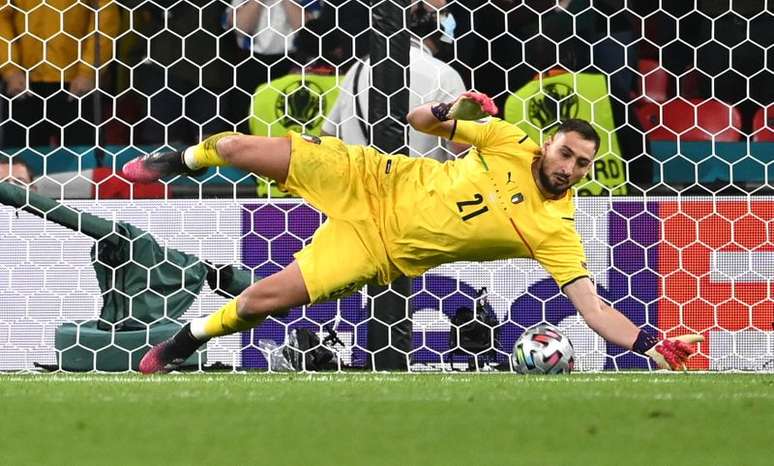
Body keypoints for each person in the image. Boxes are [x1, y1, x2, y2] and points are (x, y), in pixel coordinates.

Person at [122, 91, 702, 373]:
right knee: (236, 147)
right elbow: (420, 122)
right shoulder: (506, 139)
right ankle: (183, 160)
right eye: (565, 154)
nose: (568, 169)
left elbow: (594, 310)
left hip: (378, 250)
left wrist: (651, 343)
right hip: (372, 176)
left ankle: (185, 340)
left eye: (580, 164)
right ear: (548, 143)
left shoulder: (555, 231)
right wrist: (453, 107)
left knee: (259, 301)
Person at [321, 1, 466, 162]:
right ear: (421, 18)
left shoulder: (360, 67)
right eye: (443, 13)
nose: (449, 20)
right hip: (421, 184)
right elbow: (462, 148)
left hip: (360, 182)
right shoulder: (444, 75)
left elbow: (328, 134)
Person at [0, 0, 119, 148]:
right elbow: (2, 15)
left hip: (76, 84)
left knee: (82, 158)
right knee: (20, 159)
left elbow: (105, 15)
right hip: (23, 83)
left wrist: (88, 71)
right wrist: (10, 68)